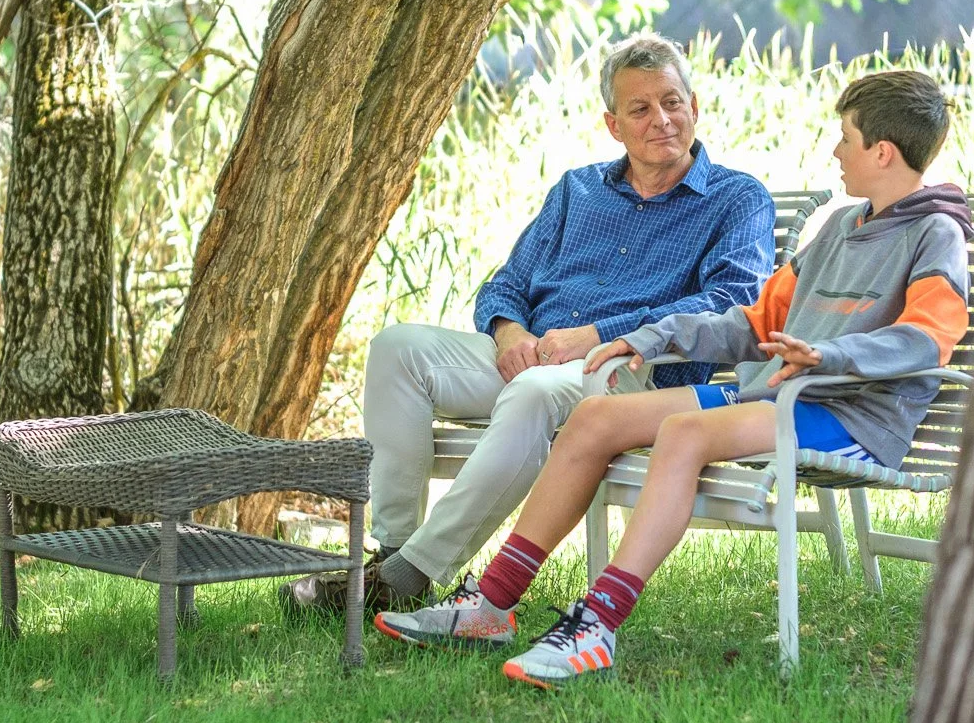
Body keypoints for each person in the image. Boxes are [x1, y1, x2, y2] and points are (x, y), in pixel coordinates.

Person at [373, 69, 973, 687]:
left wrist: (830, 357)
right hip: (775, 391)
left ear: (882, 151)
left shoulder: (936, 234)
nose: (834, 150)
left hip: (848, 412)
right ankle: (492, 606)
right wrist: (646, 337)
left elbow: (929, 337)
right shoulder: (840, 231)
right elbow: (752, 321)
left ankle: (597, 626)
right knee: (596, 415)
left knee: (686, 432)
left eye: (844, 137)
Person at [282, 35, 777, 614]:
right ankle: (389, 551)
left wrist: (598, 335)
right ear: (613, 125)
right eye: (640, 109)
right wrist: (509, 331)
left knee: (533, 392)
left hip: (634, 371)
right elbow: (507, 282)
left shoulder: (737, 199)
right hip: (538, 355)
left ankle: (413, 572)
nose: (662, 120)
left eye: (673, 102)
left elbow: (730, 302)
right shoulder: (578, 191)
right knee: (398, 349)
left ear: (695, 104)